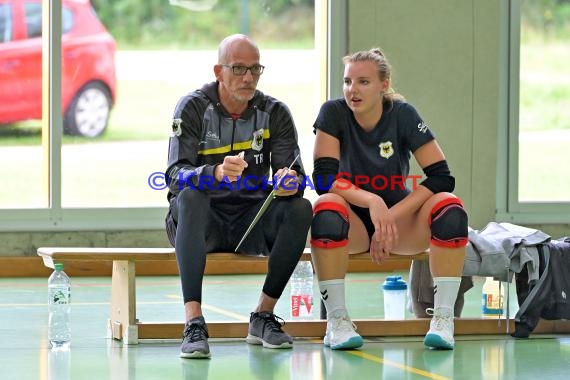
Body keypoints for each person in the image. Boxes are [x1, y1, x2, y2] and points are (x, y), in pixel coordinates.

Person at [165, 34, 313, 359]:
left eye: (255, 69)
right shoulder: (193, 107)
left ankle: (263, 315)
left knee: (300, 208)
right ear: (219, 71)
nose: (248, 77)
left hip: (252, 221)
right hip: (203, 223)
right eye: (239, 69)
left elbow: (295, 172)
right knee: (190, 197)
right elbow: (174, 176)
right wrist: (214, 173)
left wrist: (290, 180)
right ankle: (193, 322)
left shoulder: (274, 112)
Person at [310, 47, 468, 350]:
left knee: (450, 206)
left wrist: (391, 216)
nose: (352, 90)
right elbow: (324, 179)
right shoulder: (332, 112)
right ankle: (337, 322)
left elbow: (441, 176)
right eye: (347, 81)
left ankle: (444, 320)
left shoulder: (403, 114)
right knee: (325, 207)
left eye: (363, 82)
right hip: (352, 225)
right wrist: (372, 202)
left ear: (384, 85)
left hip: (398, 228)